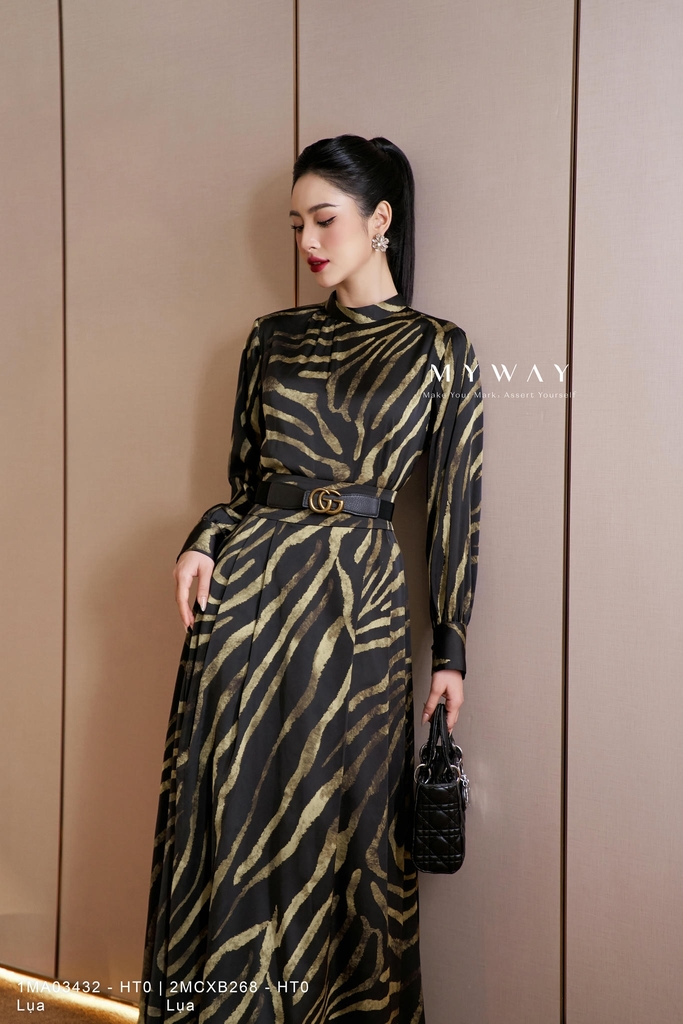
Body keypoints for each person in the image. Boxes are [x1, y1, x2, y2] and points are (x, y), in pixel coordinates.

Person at [138, 134, 483, 1024]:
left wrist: (450, 650)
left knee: (349, 826)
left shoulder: (439, 349)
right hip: (248, 600)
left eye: (324, 219)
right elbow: (242, 486)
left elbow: (454, 509)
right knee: (236, 815)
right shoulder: (273, 338)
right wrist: (206, 537)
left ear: (380, 219)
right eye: (296, 225)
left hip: (358, 608)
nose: (308, 242)